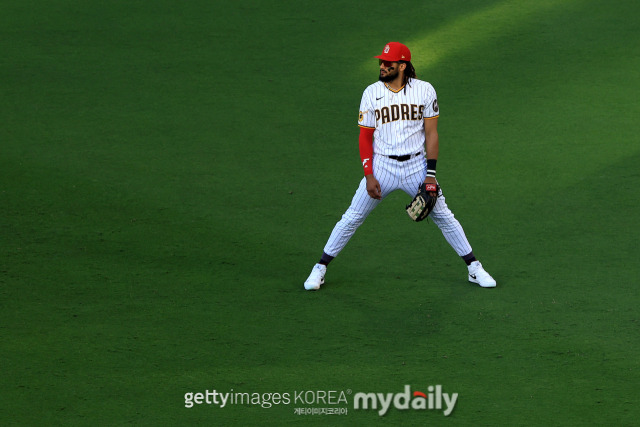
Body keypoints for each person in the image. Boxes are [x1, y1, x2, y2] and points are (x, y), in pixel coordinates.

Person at [304, 42, 496, 290]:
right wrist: (369, 174)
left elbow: (432, 134)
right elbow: (365, 137)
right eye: (381, 62)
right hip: (382, 167)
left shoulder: (425, 90)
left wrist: (431, 175)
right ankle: (320, 268)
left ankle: (474, 268)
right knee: (352, 218)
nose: (382, 66)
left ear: (402, 66)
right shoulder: (371, 92)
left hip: (416, 166)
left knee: (444, 216)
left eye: (388, 63)